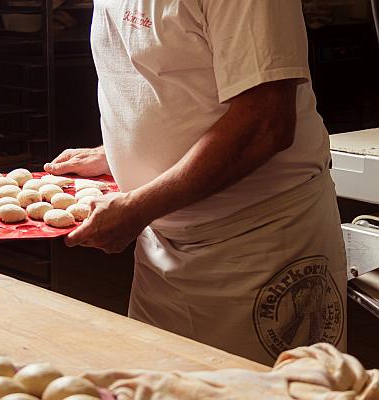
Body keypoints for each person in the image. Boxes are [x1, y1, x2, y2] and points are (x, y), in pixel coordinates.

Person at [44, 0, 347, 365]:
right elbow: (171, 79)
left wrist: (140, 205)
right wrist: (121, 150)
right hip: (162, 244)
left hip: (258, 244)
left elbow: (264, 123)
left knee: (258, 390)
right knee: (160, 385)